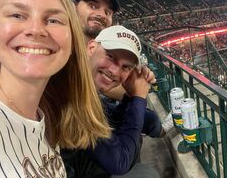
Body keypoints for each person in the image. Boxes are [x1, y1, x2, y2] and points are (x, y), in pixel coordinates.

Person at [0, 0, 110, 177]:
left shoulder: (47, 114)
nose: (36, 29)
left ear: (72, 39)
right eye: (17, 15)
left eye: (53, 20)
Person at [62, 25, 160, 178]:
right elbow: (119, 163)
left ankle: (161, 131)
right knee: (146, 174)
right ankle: (162, 131)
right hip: (71, 168)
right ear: (91, 48)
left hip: (79, 161)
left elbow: (110, 120)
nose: (115, 71)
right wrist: (138, 97)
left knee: (140, 126)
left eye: (126, 67)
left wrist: (131, 95)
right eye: (111, 56)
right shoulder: (73, 93)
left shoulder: (84, 85)